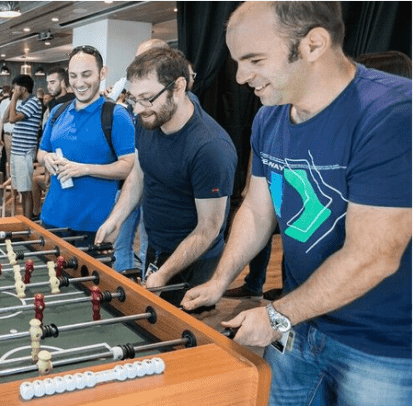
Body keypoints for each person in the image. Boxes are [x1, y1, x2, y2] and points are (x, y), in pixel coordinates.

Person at [182, 2, 412, 405]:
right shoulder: (269, 118)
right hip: (299, 326)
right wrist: (221, 279)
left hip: (382, 348)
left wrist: (275, 316)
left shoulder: (392, 114)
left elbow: (375, 255)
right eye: (237, 61)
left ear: (314, 44)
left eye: (254, 59)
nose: (240, 77)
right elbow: (256, 209)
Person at [96, 47, 237, 308]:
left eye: (147, 98)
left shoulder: (210, 148)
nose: (137, 109)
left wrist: (164, 273)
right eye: (134, 99)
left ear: (179, 87)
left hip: (195, 260)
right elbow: (139, 174)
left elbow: (209, 228)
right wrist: (116, 219)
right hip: (157, 246)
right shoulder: (147, 119)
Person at [37, 45, 135, 247]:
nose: (79, 83)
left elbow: (129, 166)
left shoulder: (116, 115)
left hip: (93, 226)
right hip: (51, 218)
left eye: (86, 75)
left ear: (102, 73)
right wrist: (46, 158)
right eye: (73, 76)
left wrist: (84, 169)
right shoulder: (58, 112)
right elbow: (41, 151)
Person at [5, 74, 42, 219]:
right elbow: (7, 117)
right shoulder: (25, 103)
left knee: (26, 190)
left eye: (15, 88)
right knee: (20, 189)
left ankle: (27, 222)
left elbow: (12, 119)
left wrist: (14, 98)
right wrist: (13, 99)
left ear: (22, 88)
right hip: (17, 153)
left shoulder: (33, 102)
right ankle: (24, 220)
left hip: (24, 153)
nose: (13, 91)